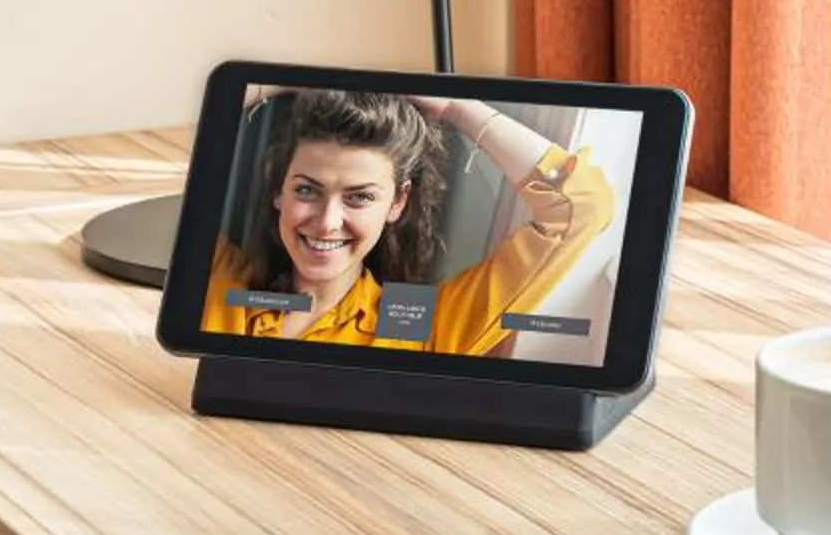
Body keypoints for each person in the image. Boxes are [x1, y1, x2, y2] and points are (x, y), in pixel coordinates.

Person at [201, 89, 616, 358]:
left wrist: (457, 108)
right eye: (307, 190)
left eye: (359, 197)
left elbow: (583, 207)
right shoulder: (221, 281)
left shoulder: (430, 329)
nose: (327, 222)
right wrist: (274, 81)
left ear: (398, 202)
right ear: (279, 188)